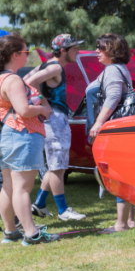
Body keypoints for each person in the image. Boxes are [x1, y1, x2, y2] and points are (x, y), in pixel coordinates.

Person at [0, 32, 59, 245]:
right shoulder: (13, 79)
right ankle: (31, 233)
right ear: (15, 54)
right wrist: (43, 109)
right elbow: (24, 110)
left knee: (8, 186)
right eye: (26, 52)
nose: (28, 55)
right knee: (22, 188)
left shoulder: (2, 78)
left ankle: (10, 231)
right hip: (22, 135)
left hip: (8, 135)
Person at [24, 34, 87, 221]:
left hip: (51, 120)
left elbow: (26, 79)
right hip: (54, 119)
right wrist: (45, 105)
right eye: (74, 48)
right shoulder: (55, 66)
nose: (77, 51)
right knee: (58, 167)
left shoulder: (46, 65)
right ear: (63, 50)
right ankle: (63, 211)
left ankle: (40, 204)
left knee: (54, 166)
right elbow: (28, 83)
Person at [89, 33, 135, 233]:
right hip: (124, 127)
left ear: (111, 50)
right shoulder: (117, 69)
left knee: (117, 173)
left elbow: (114, 96)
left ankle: (121, 224)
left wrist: (99, 122)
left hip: (115, 128)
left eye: (101, 48)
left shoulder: (112, 70)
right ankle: (130, 220)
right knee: (126, 171)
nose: (96, 51)